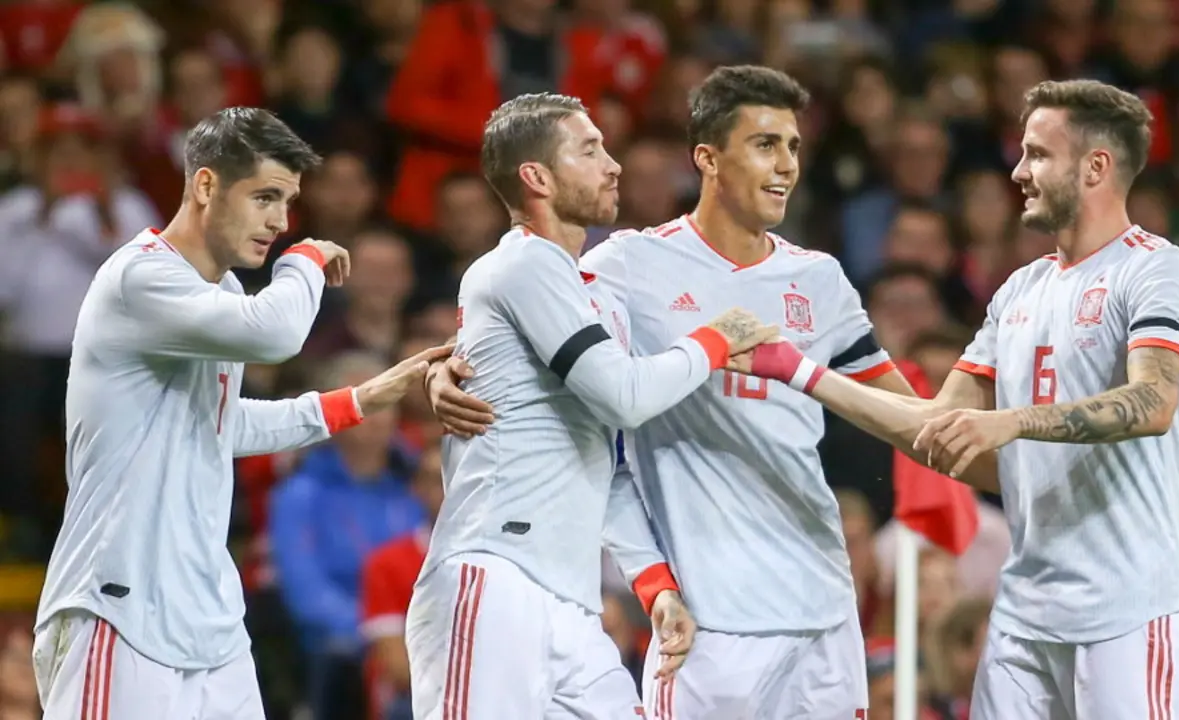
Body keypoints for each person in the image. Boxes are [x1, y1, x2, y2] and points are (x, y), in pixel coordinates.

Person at [430, 67, 917, 719]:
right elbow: (531, 344)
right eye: (765, 145)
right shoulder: (626, 267)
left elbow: (912, 417)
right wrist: (438, 371)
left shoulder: (820, 278)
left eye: (795, 147)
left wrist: (994, 423)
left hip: (823, 610)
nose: (786, 166)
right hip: (708, 623)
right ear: (708, 159)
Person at [735, 79, 1179, 719]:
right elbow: (939, 429)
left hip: (1128, 608)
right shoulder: (1019, 290)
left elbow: (1152, 401)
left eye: (1038, 154)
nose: (1018, 171)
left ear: (1096, 166)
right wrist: (800, 371)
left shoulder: (1153, 269)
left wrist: (1010, 422)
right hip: (1025, 610)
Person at [31, 107, 450, 720]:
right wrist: (303, 260)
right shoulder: (139, 279)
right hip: (117, 607)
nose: (280, 222)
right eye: (265, 198)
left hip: (211, 618)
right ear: (205, 185)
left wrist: (357, 400)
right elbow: (275, 333)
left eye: (287, 202)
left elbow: (220, 425)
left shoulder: (220, 293)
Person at [404, 93, 776, 720]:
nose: (614, 165)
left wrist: (653, 583)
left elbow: (605, 458)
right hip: (494, 579)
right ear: (537, 178)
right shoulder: (519, 265)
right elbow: (626, 396)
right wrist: (717, 337)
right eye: (589, 149)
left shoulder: (590, 293)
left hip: (571, 605)